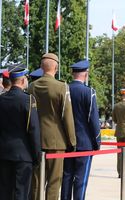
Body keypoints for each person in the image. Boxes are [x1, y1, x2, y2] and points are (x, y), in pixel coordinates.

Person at [29, 53, 76, 200]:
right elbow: (67, 116)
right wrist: (72, 141)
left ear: (42, 67)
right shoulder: (61, 87)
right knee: (54, 183)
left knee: (36, 182)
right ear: (56, 67)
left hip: (35, 141)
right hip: (56, 141)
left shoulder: (31, 87)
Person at [61, 60, 101, 200]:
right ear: (86, 74)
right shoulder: (88, 92)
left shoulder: (64, 90)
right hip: (84, 144)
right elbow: (93, 120)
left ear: (73, 73)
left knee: (66, 177)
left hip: (66, 142)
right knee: (80, 181)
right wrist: (97, 142)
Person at [0, 64, 41, 200]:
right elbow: (33, 130)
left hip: (3, 154)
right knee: (21, 194)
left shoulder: (1, 100)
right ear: (23, 80)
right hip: (23, 156)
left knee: (4, 193)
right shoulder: (28, 100)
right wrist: (37, 156)